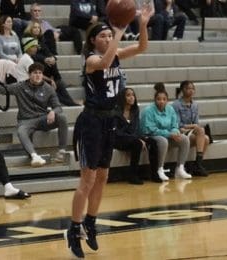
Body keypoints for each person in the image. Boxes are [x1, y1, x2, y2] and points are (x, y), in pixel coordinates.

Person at [64, 3, 154, 257]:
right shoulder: (91, 60)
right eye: (102, 35)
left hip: (109, 121)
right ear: (92, 40)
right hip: (90, 123)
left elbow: (142, 47)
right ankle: (74, 228)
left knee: (103, 177)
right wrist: (117, 30)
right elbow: (104, 63)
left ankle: (91, 222)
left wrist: (142, 25)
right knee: (88, 179)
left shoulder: (114, 53)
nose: (107, 37)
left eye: (108, 34)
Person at [0, 62, 68, 167]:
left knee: (62, 117)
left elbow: (58, 107)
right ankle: (35, 156)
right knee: (21, 131)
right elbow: (1, 89)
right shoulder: (20, 86)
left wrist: (53, 112)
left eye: (40, 73)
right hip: (26, 120)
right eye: (35, 73)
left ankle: (61, 151)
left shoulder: (48, 88)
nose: (38, 75)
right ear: (29, 75)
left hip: (43, 119)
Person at [140, 83, 192, 182]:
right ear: (155, 100)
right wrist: (169, 134)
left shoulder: (170, 109)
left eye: (164, 99)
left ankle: (180, 168)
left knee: (184, 139)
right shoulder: (148, 111)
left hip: (167, 134)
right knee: (163, 140)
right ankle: (160, 169)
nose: (161, 101)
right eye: (159, 99)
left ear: (167, 100)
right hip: (150, 136)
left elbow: (175, 125)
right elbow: (151, 130)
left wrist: (175, 132)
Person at [23, 21, 80, 106]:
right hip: (35, 67)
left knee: (54, 67)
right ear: (30, 29)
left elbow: (47, 51)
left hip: (44, 66)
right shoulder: (27, 39)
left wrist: (52, 58)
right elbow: (32, 55)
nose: (37, 29)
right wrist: (45, 59)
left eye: (38, 27)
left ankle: (69, 99)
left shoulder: (40, 40)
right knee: (53, 86)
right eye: (35, 27)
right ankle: (70, 102)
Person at [114, 88, 158, 185]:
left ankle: (154, 173)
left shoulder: (135, 110)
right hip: (118, 139)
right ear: (122, 98)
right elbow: (118, 132)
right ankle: (132, 175)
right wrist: (136, 138)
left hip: (132, 137)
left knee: (152, 142)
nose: (131, 97)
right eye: (128, 95)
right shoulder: (116, 112)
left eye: (133, 95)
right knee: (137, 143)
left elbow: (136, 128)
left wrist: (142, 138)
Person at [172, 80, 209, 176]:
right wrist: (192, 126)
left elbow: (196, 122)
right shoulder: (176, 104)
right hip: (180, 131)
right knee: (201, 131)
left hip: (191, 132)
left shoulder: (195, 105)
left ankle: (197, 164)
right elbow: (177, 124)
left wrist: (194, 126)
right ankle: (198, 165)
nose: (191, 90)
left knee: (206, 139)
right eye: (188, 88)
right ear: (182, 90)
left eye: (193, 88)